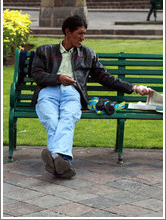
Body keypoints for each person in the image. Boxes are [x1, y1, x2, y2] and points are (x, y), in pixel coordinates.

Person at [31, 15, 154, 179]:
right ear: (68, 32)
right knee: (51, 119)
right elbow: (37, 75)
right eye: (80, 33)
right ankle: (61, 160)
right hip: (48, 91)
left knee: (69, 117)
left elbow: (105, 77)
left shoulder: (88, 54)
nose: (83, 38)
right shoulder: (44, 50)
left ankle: (55, 157)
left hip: (72, 93)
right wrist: (58, 78)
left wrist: (133, 87)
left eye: (84, 34)